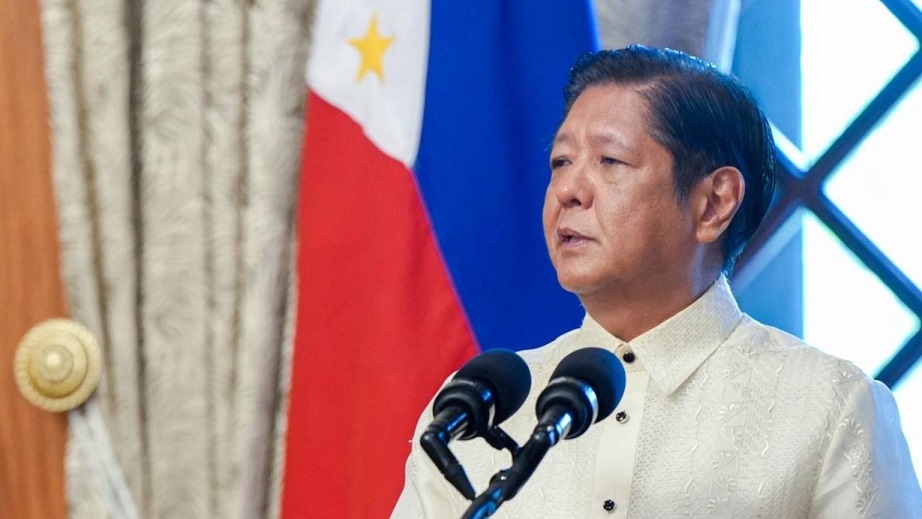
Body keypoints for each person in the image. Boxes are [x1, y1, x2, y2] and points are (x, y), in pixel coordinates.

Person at [390, 45, 922, 518]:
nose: (569, 190)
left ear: (713, 203)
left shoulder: (831, 409)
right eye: (561, 161)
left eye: (610, 160)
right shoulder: (475, 413)